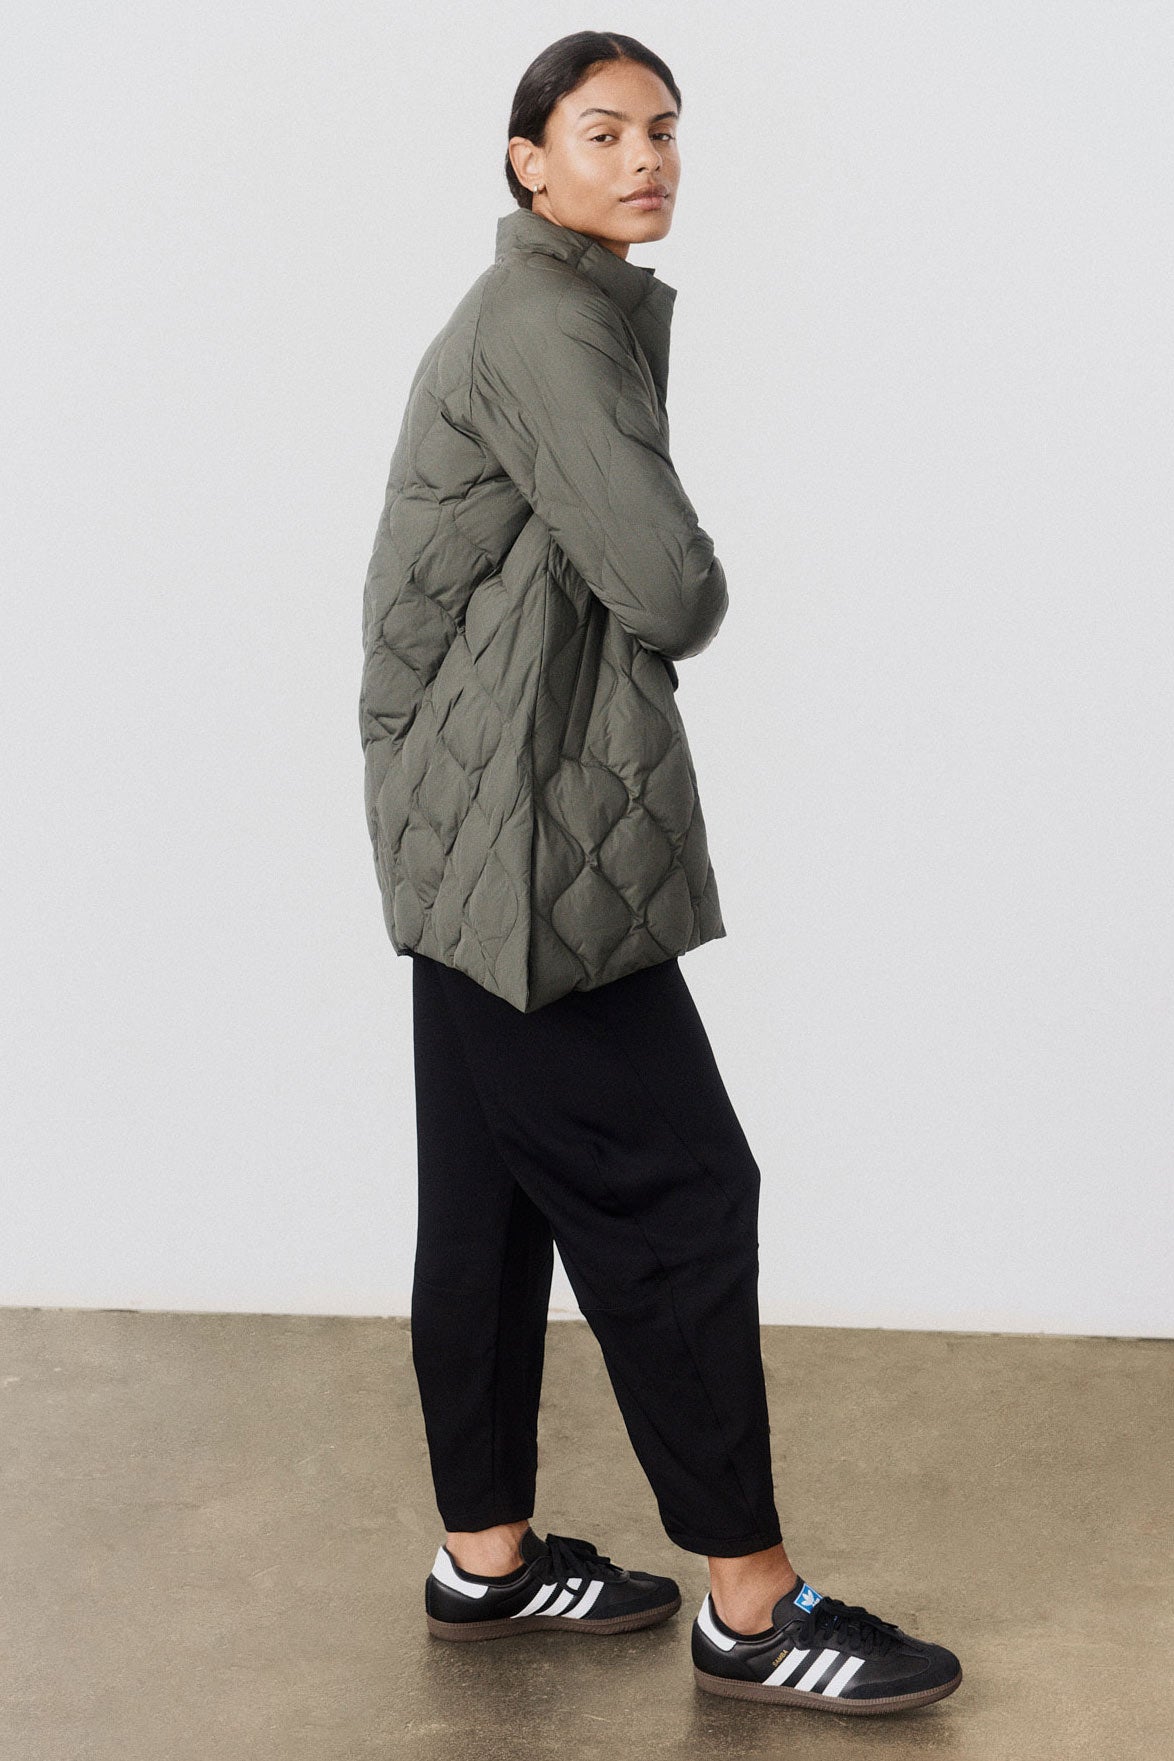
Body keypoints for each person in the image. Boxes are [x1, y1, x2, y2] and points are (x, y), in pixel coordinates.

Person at [358, 30, 963, 1718]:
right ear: (526, 161)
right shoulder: (547, 322)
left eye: (664, 132)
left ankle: (484, 1559)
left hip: (464, 819)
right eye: (603, 131)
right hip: (529, 834)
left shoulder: (544, 308)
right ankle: (753, 1610)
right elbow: (668, 586)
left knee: (487, 1205)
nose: (645, 160)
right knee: (682, 1192)